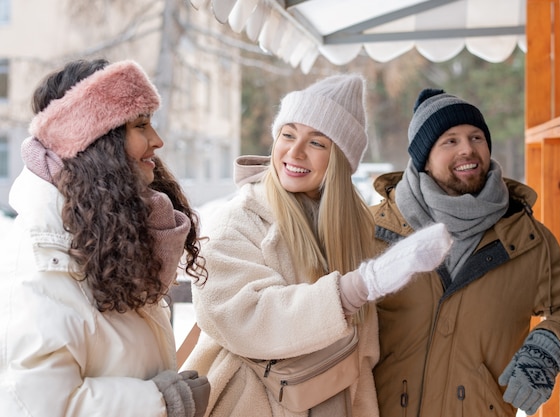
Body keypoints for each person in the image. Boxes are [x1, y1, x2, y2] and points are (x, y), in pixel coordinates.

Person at [181, 74, 452, 416]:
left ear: (339, 159)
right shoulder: (239, 219)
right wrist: (354, 289)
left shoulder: (357, 230)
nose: (294, 152)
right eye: (288, 135)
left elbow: (361, 359)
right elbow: (240, 314)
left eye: (316, 143)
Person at [370, 88, 560, 417]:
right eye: (450, 140)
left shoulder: (526, 239)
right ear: (423, 157)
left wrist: (549, 344)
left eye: (476, 137)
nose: (468, 149)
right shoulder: (372, 231)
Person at [0, 58, 210, 417]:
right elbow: (35, 403)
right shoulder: (44, 257)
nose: (156, 141)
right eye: (141, 125)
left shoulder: (109, 232)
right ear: (99, 143)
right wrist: (161, 402)